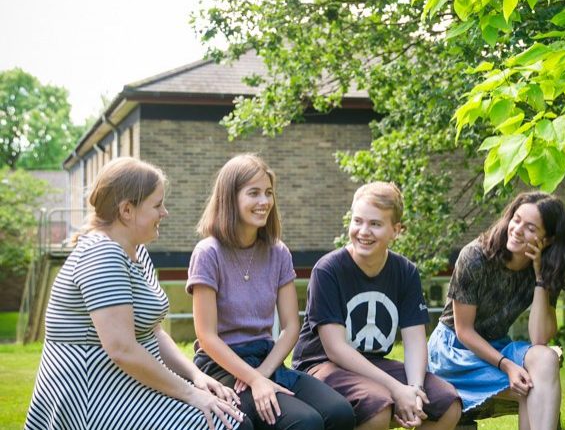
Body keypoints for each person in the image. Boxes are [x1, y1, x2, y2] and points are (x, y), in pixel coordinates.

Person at [25, 157, 246, 430]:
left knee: (232, 419)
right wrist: (191, 394)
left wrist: (195, 376)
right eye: (157, 205)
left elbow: (153, 332)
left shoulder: (135, 250)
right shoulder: (101, 254)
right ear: (127, 210)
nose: (164, 212)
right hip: (92, 392)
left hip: (126, 381)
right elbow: (122, 349)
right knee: (226, 425)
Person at [187, 154, 355, 430]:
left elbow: (290, 326)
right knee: (306, 423)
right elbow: (206, 336)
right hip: (222, 366)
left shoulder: (278, 252)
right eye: (254, 193)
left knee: (340, 412)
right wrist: (253, 380)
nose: (264, 202)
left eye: (268, 193)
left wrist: (263, 374)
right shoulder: (208, 253)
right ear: (230, 197)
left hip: (266, 360)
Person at [292, 182, 461, 430]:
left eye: (375, 224)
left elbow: (414, 341)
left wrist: (414, 388)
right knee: (378, 407)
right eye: (357, 221)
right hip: (322, 365)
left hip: (373, 362)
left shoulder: (405, 272)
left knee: (447, 403)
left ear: (396, 230)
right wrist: (396, 389)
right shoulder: (328, 270)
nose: (363, 231)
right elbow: (336, 349)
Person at [428, 191, 565, 430]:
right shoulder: (474, 257)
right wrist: (508, 365)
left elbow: (540, 338)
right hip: (454, 351)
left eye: (530, 228)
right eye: (516, 219)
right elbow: (463, 330)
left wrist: (540, 279)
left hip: (495, 345)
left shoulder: (545, 270)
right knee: (532, 385)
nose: (517, 229)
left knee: (545, 358)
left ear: (547, 240)